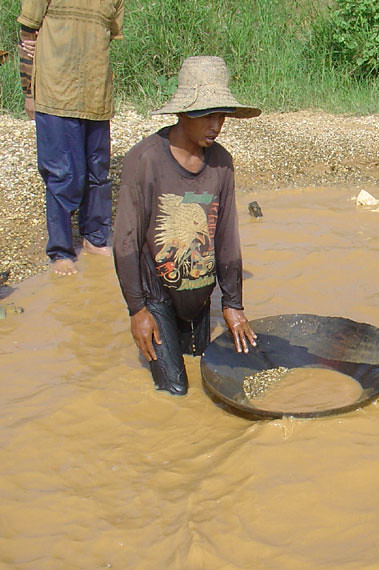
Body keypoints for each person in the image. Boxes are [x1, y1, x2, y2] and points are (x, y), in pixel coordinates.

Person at [113, 56, 260, 396]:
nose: (217, 124)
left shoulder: (221, 163)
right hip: (157, 295)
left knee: (204, 372)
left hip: (200, 292)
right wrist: (137, 310)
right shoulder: (145, 160)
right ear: (182, 114)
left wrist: (233, 304)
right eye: (208, 114)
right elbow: (125, 243)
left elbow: (226, 238)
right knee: (176, 390)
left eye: (222, 115)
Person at [17, 1, 124, 275]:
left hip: (97, 93)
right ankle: (61, 252)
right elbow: (27, 33)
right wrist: (29, 92)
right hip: (56, 92)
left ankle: (94, 239)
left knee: (98, 172)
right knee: (62, 174)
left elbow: (108, 33)